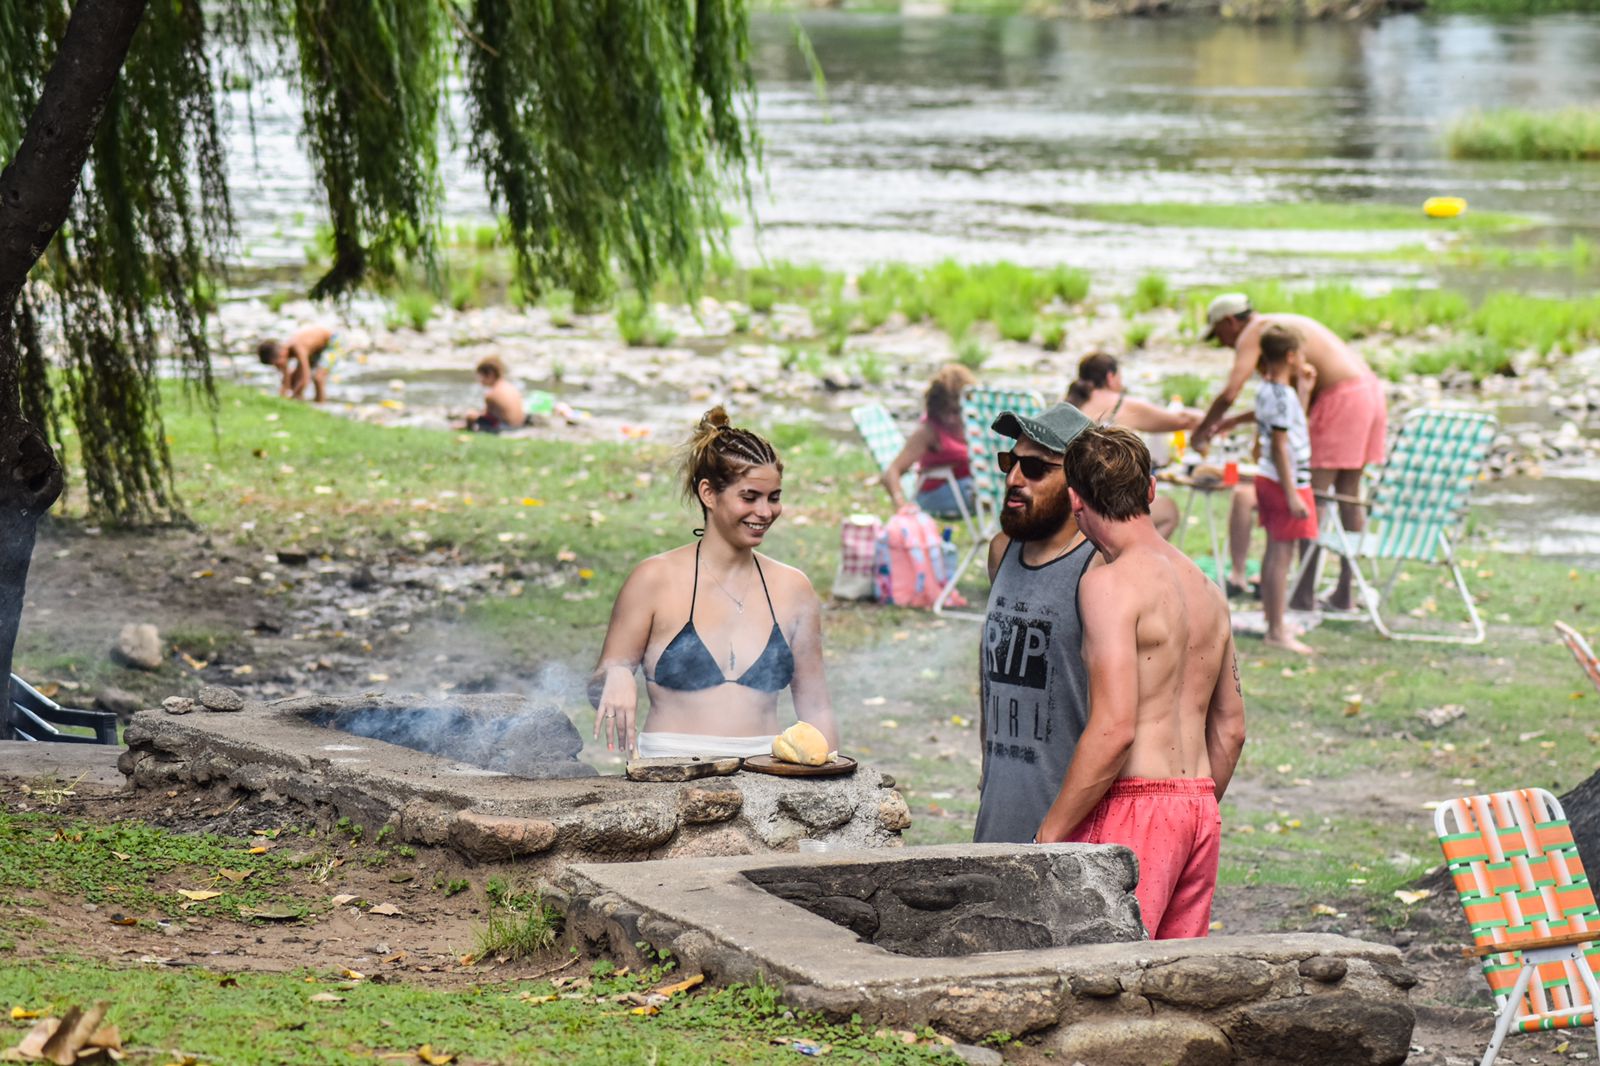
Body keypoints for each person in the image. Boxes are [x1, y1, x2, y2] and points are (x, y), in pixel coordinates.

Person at [1035, 425, 1246, 941]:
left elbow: (1115, 728)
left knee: (1104, 975)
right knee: (1173, 985)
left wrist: (1047, 838)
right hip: (1199, 805)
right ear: (1151, 490)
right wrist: (1191, 811)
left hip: (1137, 803)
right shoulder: (1207, 588)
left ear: (1074, 500)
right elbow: (1232, 730)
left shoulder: (1108, 584)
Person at [589, 407, 839, 759]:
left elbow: (816, 707)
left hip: (766, 770)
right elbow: (598, 686)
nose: (765, 512)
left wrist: (830, 774)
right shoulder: (654, 579)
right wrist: (615, 674)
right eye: (749, 497)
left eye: (774, 497)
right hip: (672, 769)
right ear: (709, 493)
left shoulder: (793, 587)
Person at [1191, 294, 1388, 612]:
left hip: (1339, 399)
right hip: (1367, 391)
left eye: (1220, 335)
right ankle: (1343, 592)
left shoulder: (1257, 331)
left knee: (1314, 497)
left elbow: (1230, 392)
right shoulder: (1281, 324)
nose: (1224, 344)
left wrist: (1201, 431)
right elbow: (1285, 402)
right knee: (1349, 494)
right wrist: (1235, 421)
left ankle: (1303, 594)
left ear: (1230, 322)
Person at [972, 402, 1097, 844]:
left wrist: (1059, 828)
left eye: (1035, 468)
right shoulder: (1001, 552)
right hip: (999, 809)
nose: (1013, 479)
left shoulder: (1098, 570)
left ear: (1078, 483)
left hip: (1069, 830)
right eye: (1010, 462)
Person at [1065, 353, 1208, 541]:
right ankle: (1137, 561)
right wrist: (1212, 420)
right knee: (1169, 511)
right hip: (1104, 508)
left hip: (1068, 504)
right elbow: (1180, 419)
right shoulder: (1120, 404)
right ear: (1111, 377)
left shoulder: (1068, 403)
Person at [1252, 325, 1319, 654]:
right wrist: (1292, 493)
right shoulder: (1280, 395)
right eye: (1302, 353)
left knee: (1274, 552)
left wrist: (1304, 392)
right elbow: (1280, 447)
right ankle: (1276, 631)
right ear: (1291, 357)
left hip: (1274, 478)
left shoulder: (1270, 389)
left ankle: (1272, 619)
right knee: (1282, 555)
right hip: (1284, 481)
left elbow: (1292, 430)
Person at [881, 364, 977, 517]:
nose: (951, 418)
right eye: (945, 410)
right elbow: (892, 472)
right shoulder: (928, 431)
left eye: (956, 411)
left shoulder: (973, 425)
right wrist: (901, 507)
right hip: (936, 495)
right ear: (935, 407)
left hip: (968, 489)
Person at [258, 325, 338, 403]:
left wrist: (294, 395)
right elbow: (286, 382)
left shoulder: (298, 348)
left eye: (277, 364)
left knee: (318, 377)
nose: (278, 367)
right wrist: (283, 396)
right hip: (315, 348)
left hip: (333, 341)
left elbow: (305, 377)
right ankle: (304, 402)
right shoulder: (283, 354)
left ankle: (320, 405)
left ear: (282, 354)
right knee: (295, 379)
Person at [463, 356, 527, 433]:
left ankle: (471, 431)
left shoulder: (492, 394)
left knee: (470, 414)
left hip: (506, 428)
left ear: (490, 374)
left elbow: (486, 416)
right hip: (519, 426)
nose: (480, 381)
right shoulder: (511, 387)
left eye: (481, 377)